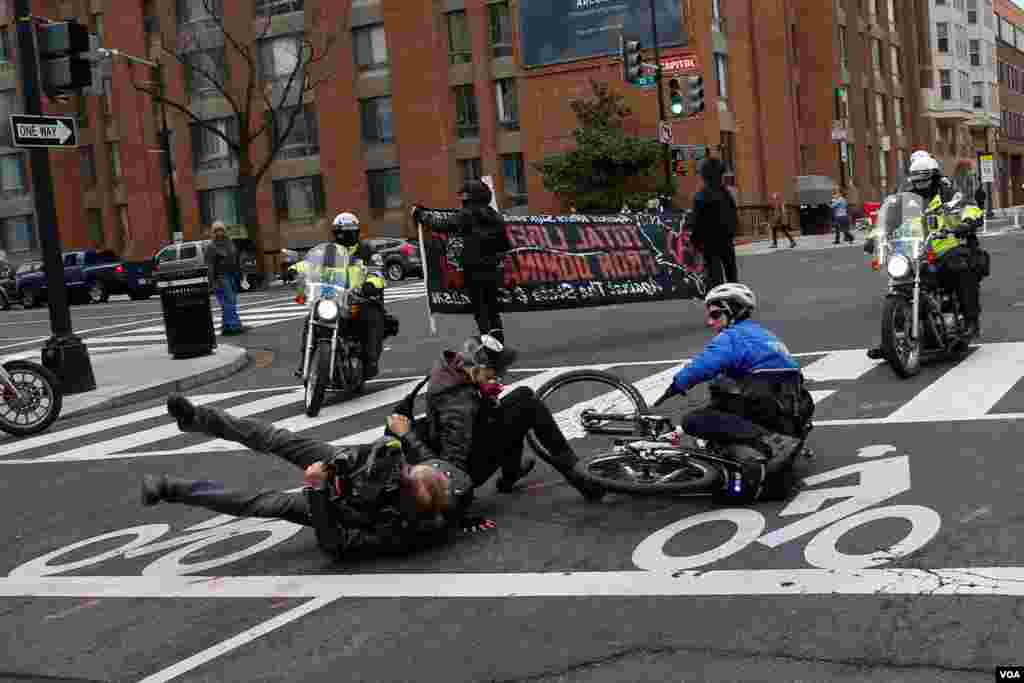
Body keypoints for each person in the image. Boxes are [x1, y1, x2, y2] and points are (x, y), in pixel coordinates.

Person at [141, 395, 491, 559]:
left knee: (263, 503)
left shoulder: (400, 532)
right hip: (353, 468)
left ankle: (170, 489)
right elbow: (428, 460)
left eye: (405, 475)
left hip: (338, 508)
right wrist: (404, 436)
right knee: (278, 439)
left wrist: (317, 491)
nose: (413, 468)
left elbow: (335, 544)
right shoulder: (454, 482)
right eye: (410, 469)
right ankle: (197, 418)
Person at [397, 333, 606, 501]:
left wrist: (483, 393)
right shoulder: (458, 405)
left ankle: (510, 474)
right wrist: (482, 400)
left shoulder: (453, 368)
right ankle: (578, 477)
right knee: (526, 403)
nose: (501, 375)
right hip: (467, 471)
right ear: (478, 369)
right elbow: (452, 468)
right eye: (495, 371)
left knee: (514, 404)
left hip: (470, 437)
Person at [656, 283, 814, 502]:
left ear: (733, 311)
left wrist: (677, 385)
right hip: (790, 412)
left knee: (694, 420)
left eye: (715, 314)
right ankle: (770, 443)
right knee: (719, 399)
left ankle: (769, 443)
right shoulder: (764, 334)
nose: (710, 322)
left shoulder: (733, 337)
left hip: (768, 409)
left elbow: (704, 365)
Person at [867, 152, 985, 358]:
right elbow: (886, 220)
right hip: (913, 251)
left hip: (943, 247)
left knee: (960, 268)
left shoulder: (948, 193)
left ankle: (970, 322)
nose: (921, 183)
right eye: (917, 179)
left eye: (925, 179)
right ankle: (891, 338)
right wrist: (874, 237)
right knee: (898, 283)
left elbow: (968, 207)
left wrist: (966, 222)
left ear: (934, 176)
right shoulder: (903, 200)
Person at [294, 212, 394, 379]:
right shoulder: (329, 252)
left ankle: (370, 361)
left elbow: (378, 273)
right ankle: (305, 362)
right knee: (310, 320)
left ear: (356, 232)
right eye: (340, 232)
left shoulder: (366, 251)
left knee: (373, 317)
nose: (344, 235)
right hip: (333, 298)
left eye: (349, 232)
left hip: (360, 299)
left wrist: (371, 284)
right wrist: (293, 270)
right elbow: (309, 263)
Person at [413, 181, 511, 343]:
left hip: (474, 269)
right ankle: (499, 344)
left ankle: (489, 347)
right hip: (494, 270)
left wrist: (421, 215)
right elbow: (505, 245)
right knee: (493, 311)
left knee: (480, 311)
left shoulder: (466, 215)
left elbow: (442, 225)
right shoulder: (496, 216)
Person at [688, 157, 739, 288]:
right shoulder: (726, 194)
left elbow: (697, 221)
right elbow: (733, 215)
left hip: (709, 241)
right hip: (726, 239)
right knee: (731, 271)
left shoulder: (701, 196)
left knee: (714, 273)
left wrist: (694, 240)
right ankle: (734, 297)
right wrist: (732, 232)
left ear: (704, 176)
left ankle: (719, 300)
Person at [206, 221, 247, 335]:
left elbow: (237, 260)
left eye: (221, 230)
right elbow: (209, 266)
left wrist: (241, 274)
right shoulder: (211, 247)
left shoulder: (230, 243)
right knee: (230, 301)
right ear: (213, 233)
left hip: (232, 275)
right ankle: (235, 325)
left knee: (228, 302)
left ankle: (227, 326)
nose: (219, 233)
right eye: (216, 230)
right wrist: (212, 282)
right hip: (220, 276)